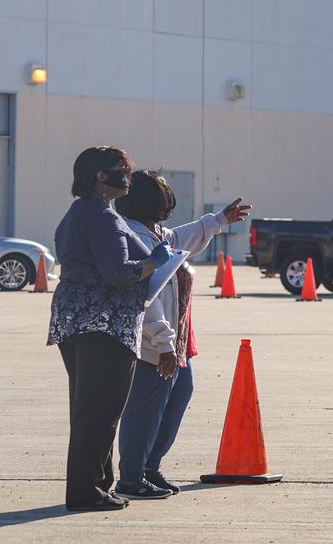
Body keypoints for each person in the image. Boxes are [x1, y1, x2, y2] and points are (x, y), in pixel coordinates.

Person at [47, 147, 173, 512]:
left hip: (76, 321)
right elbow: (118, 273)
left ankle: (98, 486)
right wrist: (154, 261)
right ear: (100, 176)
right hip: (105, 325)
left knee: (90, 409)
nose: (128, 178)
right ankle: (87, 492)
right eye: (122, 171)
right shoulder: (102, 216)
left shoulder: (78, 212)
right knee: (99, 412)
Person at [114, 170, 251, 498]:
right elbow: (147, 297)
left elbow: (180, 239)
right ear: (153, 202)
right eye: (163, 197)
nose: (168, 204)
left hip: (174, 341)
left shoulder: (155, 233)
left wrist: (217, 220)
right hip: (152, 343)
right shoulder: (134, 238)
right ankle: (131, 477)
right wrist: (163, 342)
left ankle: (149, 467)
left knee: (175, 398)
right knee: (145, 409)